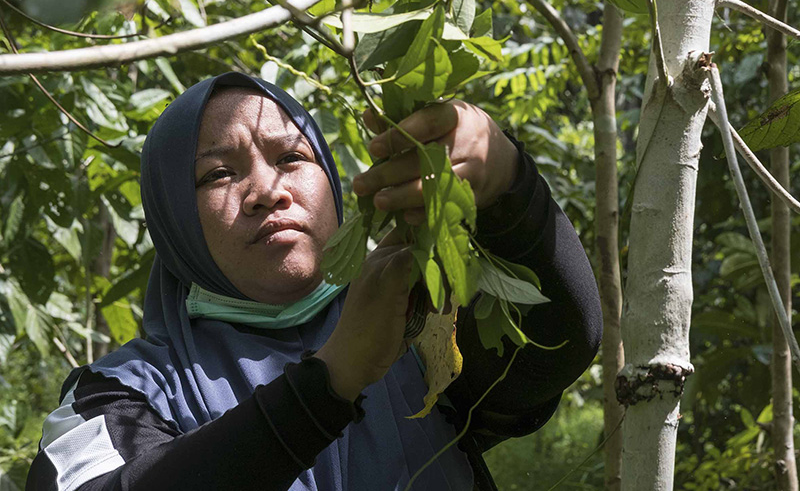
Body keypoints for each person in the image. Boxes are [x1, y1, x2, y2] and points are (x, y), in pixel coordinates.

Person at [26, 72, 602, 491]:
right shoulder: (118, 393)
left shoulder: (421, 319)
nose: (267, 190)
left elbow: (558, 344)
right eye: (218, 174)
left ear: (332, 178)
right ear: (174, 218)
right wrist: (332, 380)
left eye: (291, 158)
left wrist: (510, 186)